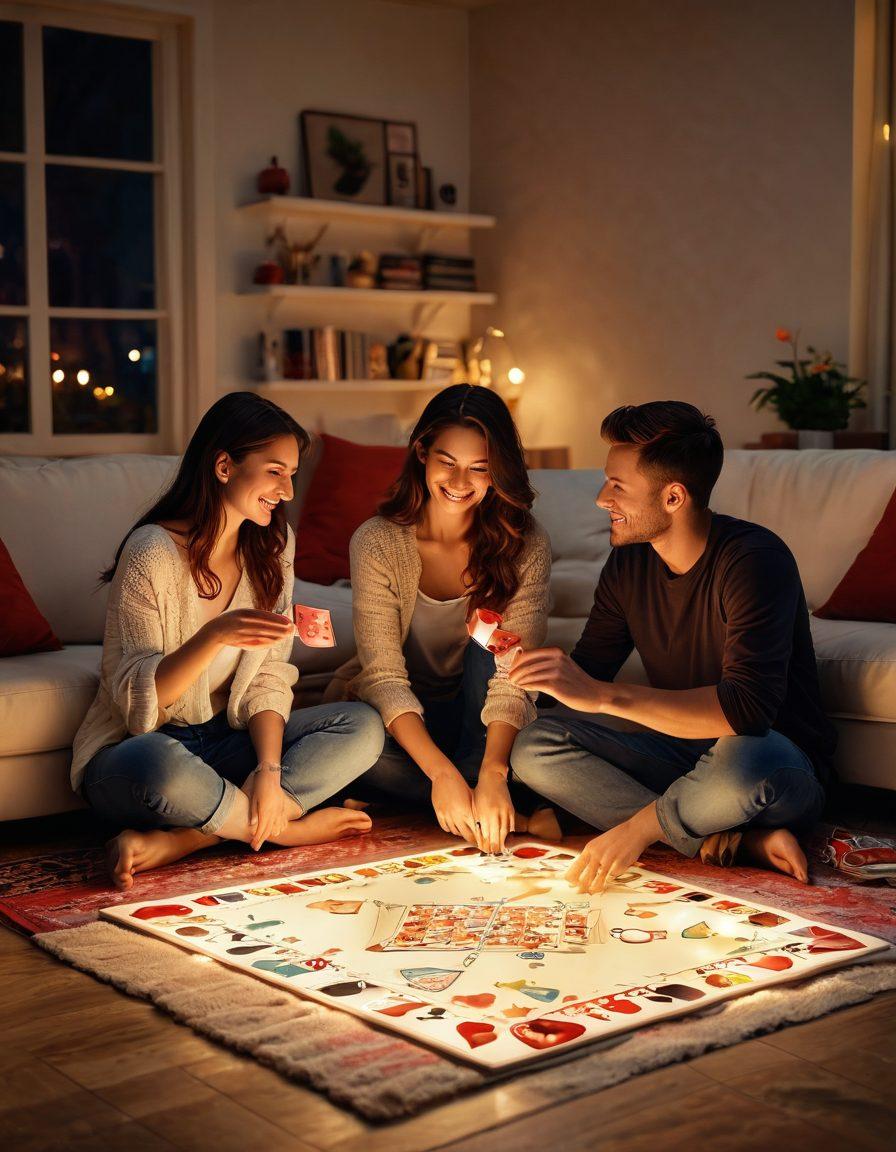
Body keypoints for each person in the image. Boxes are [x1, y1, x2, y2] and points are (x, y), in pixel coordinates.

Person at [509, 400, 834, 891]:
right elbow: (585, 673)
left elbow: (744, 712)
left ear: (674, 497)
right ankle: (722, 843)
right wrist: (514, 660)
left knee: (744, 761)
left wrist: (637, 829)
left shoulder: (754, 561)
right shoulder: (628, 565)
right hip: (683, 761)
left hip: (773, 765)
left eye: (617, 486)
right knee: (535, 746)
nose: (602, 498)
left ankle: (652, 826)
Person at [73, 392, 384, 890]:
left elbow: (268, 676)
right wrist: (214, 635)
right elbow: (137, 706)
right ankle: (284, 830)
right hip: (141, 751)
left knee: (362, 725)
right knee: (159, 767)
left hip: (225, 743)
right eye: (275, 471)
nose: (286, 491)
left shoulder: (273, 547)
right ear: (224, 465)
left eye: (292, 475)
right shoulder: (151, 552)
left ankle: (188, 839)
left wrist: (267, 767)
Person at [328, 383, 555, 853]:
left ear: (498, 473)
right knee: (355, 742)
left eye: (479, 468)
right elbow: (385, 678)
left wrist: (493, 769)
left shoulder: (524, 542)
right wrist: (442, 773)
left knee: (490, 651)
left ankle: (475, 788)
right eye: (447, 461)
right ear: (421, 453)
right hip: (409, 725)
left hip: (486, 717)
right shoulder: (376, 542)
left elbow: (513, 676)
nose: (459, 481)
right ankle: (496, 802)